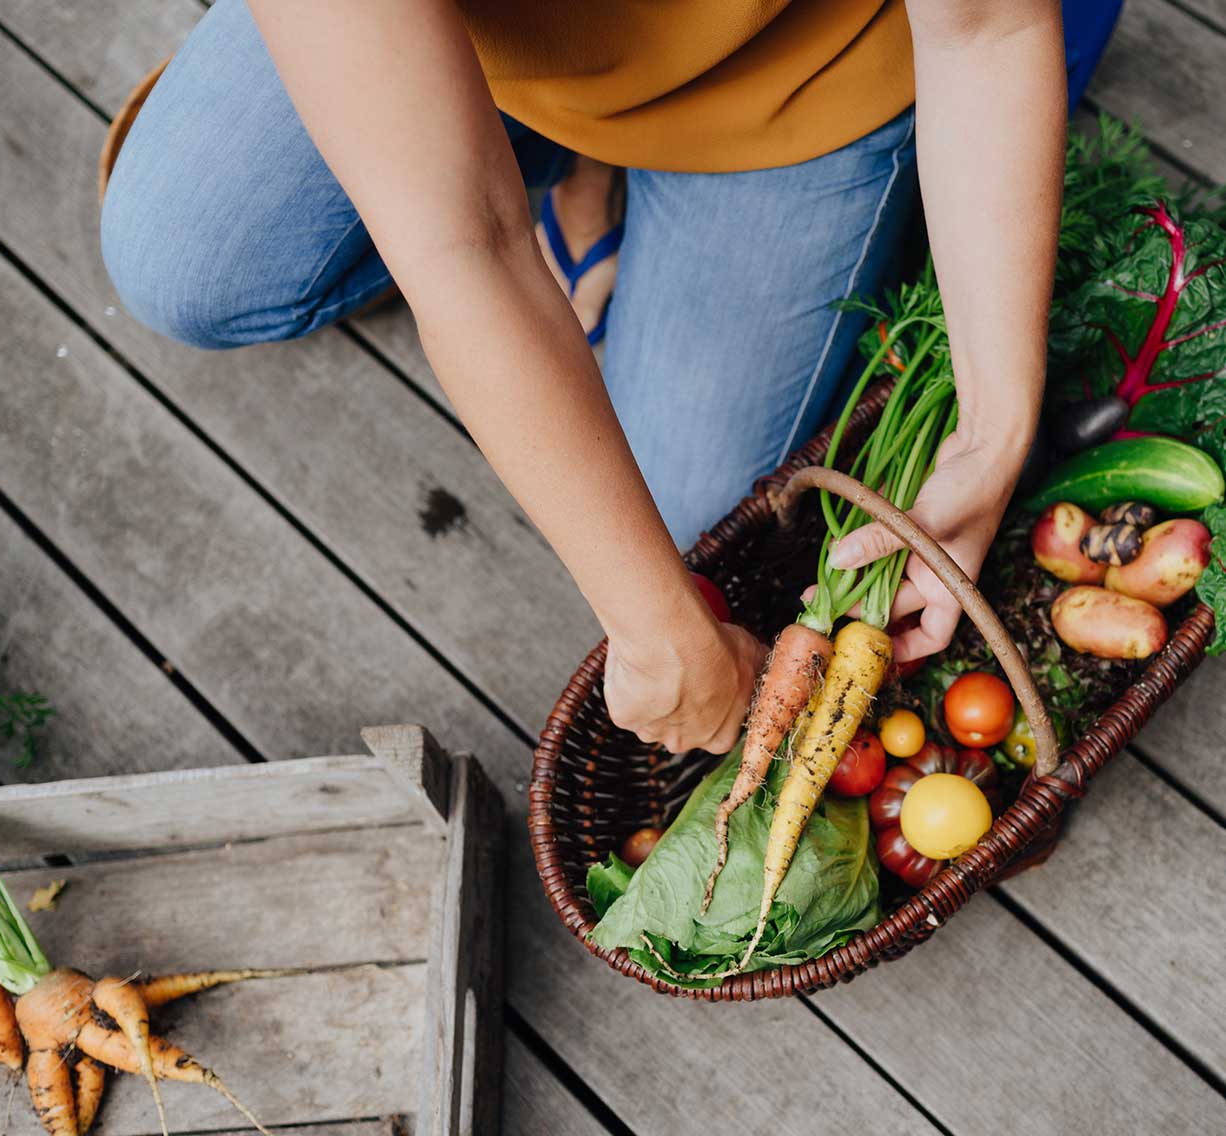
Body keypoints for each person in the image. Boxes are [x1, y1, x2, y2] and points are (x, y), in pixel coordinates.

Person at [101, 0, 1122, 756]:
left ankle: (601, 179)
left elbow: (986, 27)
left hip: (789, 77)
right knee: (183, 267)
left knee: (683, 522)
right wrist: (659, 632)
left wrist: (993, 429)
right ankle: (553, 163)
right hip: (481, 47)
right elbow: (463, 242)